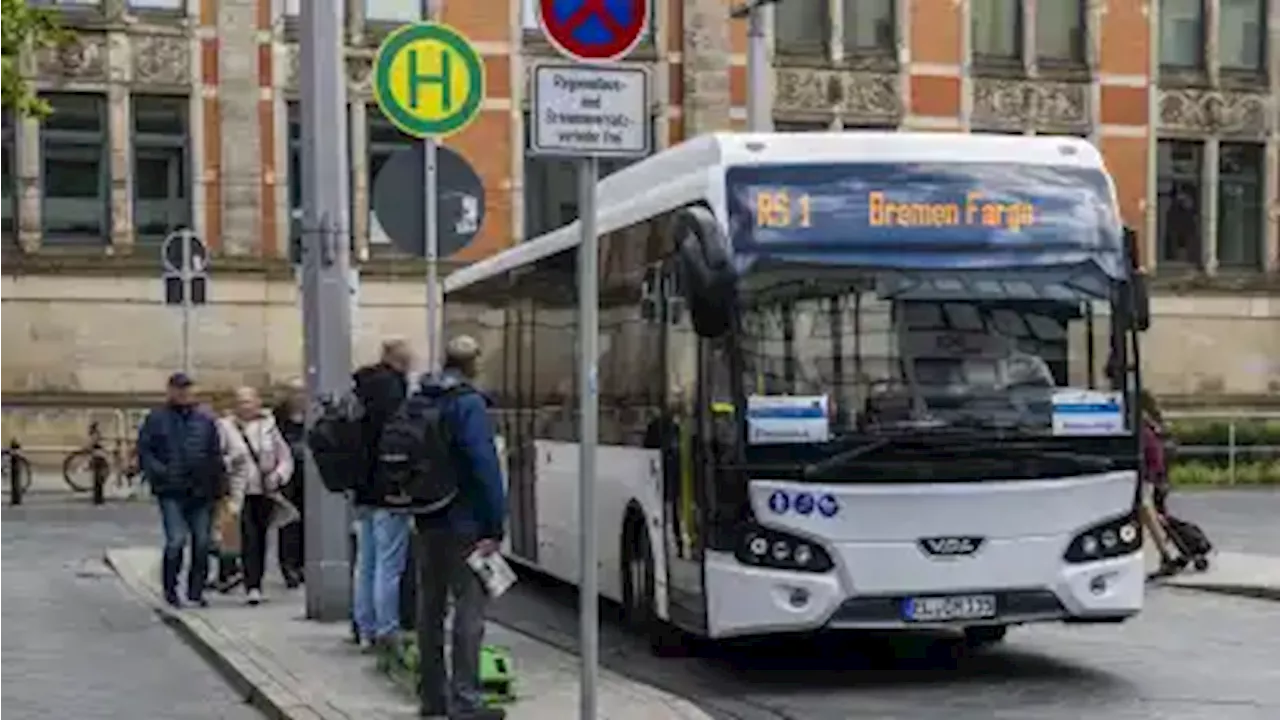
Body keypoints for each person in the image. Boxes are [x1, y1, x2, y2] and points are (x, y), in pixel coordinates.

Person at [413, 335, 507, 720]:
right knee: (469, 610)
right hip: (464, 521)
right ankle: (465, 701)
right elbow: (483, 465)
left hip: (426, 516)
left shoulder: (420, 398)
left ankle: (431, 696)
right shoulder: (468, 403)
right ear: (473, 364)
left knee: (429, 608)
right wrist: (494, 524)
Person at [136, 373, 225, 608]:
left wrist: (219, 491)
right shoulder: (156, 419)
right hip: (171, 490)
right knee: (176, 540)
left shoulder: (205, 421)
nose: (183, 394)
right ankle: (171, 589)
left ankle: (196, 590)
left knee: (202, 542)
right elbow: (145, 451)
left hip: (201, 491)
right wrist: (160, 473)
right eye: (178, 389)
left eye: (187, 389)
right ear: (170, 391)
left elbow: (215, 456)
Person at [352, 339, 414, 650]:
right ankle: (386, 628)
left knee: (366, 561)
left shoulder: (360, 386)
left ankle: (364, 627)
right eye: (408, 359)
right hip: (389, 490)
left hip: (362, 489)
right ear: (397, 359)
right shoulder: (394, 390)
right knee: (390, 563)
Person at [220, 386, 295, 605]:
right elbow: (216, 457)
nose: (246, 405)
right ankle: (250, 584)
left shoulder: (269, 426)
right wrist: (230, 461)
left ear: (258, 403)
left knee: (261, 538)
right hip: (238, 491)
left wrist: (279, 476)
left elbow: (285, 457)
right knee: (247, 536)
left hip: (264, 491)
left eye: (249, 401)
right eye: (241, 401)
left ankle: (256, 582)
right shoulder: (225, 427)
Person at [274, 379, 308, 588]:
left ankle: (303, 564)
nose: (299, 396)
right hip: (286, 475)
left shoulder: (311, 416)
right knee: (288, 521)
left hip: (308, 475)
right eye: (295, 392)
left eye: (302, 392)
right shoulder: (278, 419)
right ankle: (289, 567)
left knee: (308, 521)